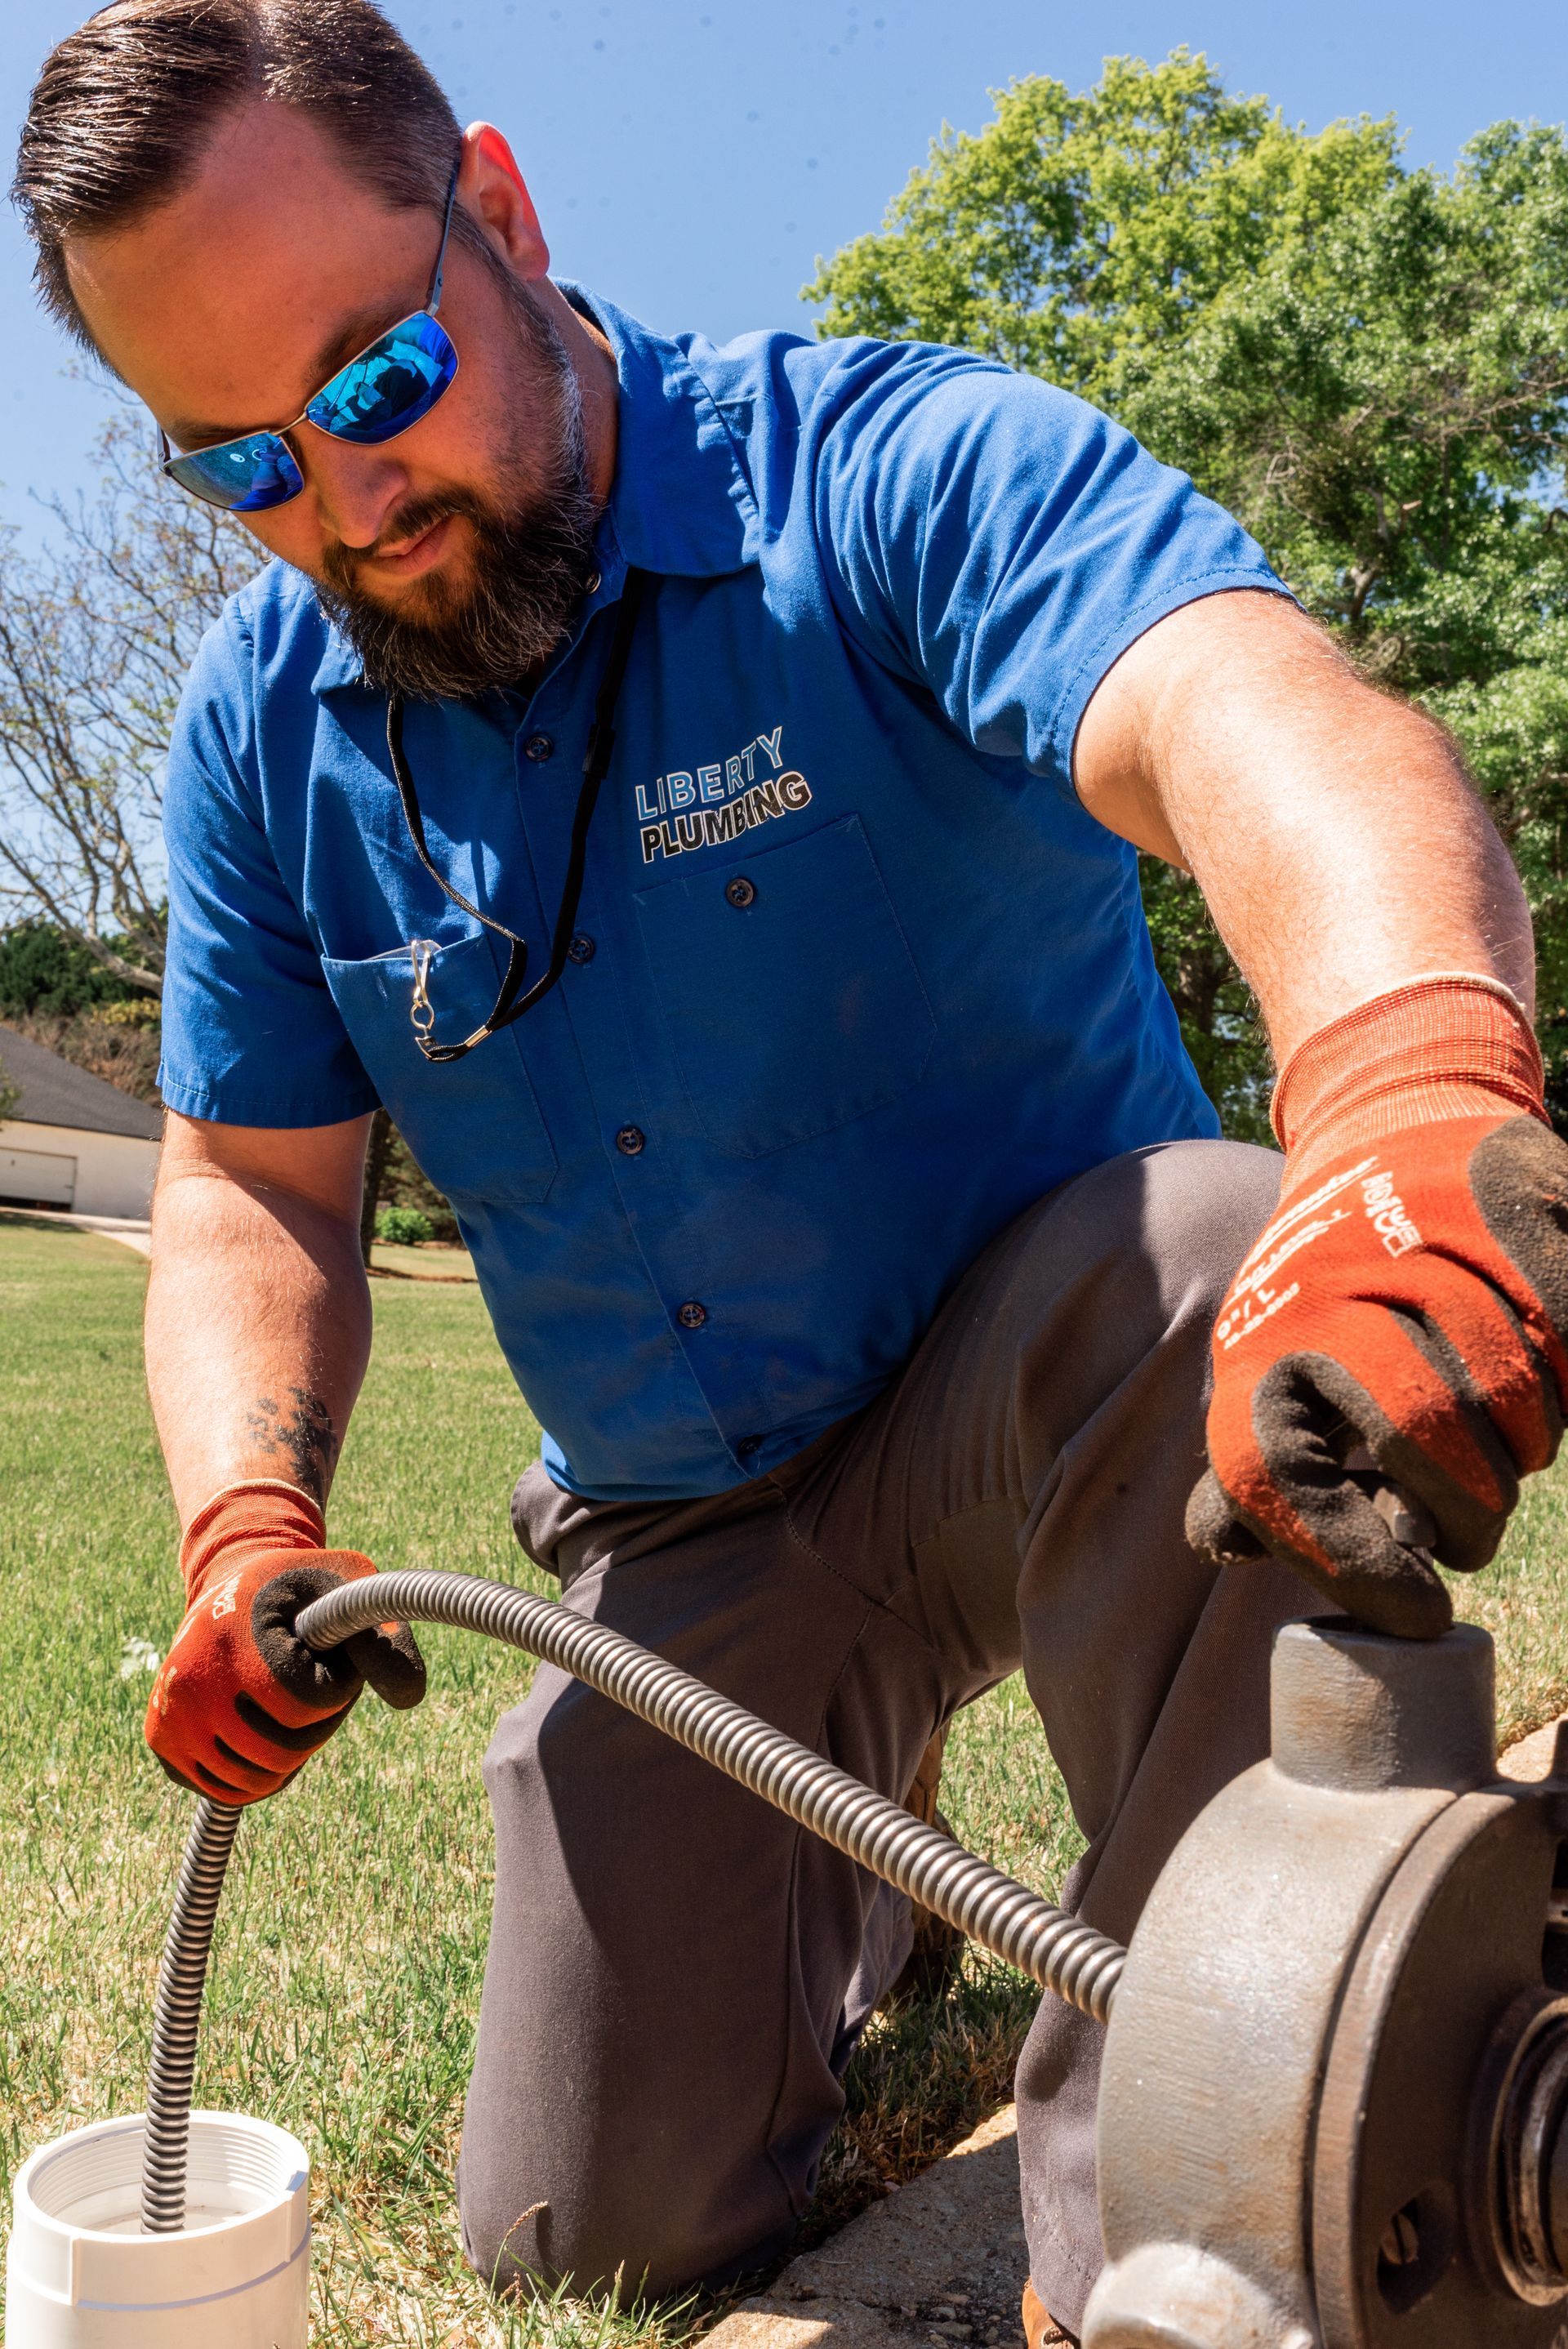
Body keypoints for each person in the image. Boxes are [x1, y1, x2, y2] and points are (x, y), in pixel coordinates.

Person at [16, 5, 1567, 2340]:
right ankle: (875, 1866)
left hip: (1060, 1409)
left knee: (1224, 1232)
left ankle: (1171, 2203)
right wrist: (248, 1509)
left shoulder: (881, 470)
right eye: (237, 463)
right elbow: (253, 1177)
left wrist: (1410, 1070)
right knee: (587, 2218)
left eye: (372, 383)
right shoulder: (259, 743)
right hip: (687, 1515)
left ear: (507, 219)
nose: (343, 506)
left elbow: (1256, 707)